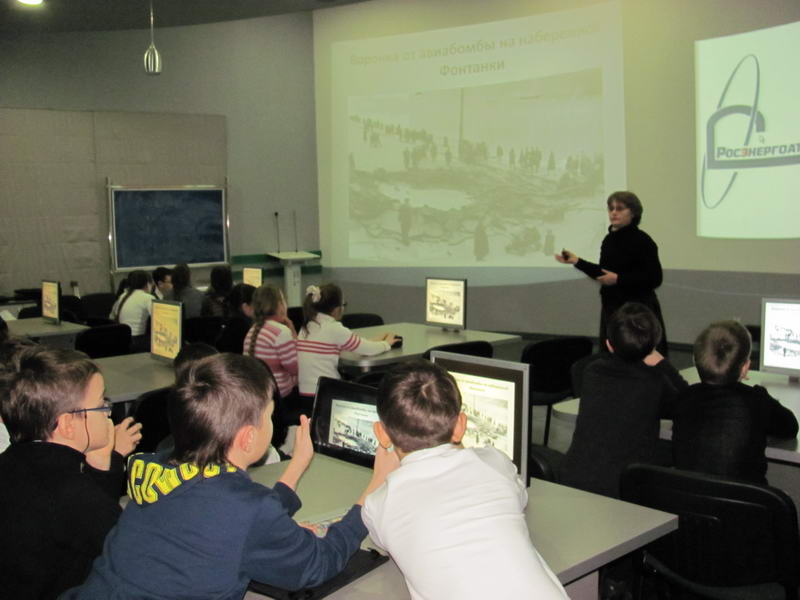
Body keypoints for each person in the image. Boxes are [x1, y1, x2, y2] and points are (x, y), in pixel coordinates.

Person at [63, 353, 398, 599]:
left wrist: (296, 466)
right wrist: (373, 489)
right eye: (268, 415)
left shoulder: (159, 466)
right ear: (248, 438)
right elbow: (316, 564)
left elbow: (227, 513)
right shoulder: (246, 509)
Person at [362, 360, 568, 600]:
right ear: (461, 426)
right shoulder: (494, 462)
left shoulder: (378, 504)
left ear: (381, 434)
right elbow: (519, 498)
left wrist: (381, 478)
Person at [0, 346, 142, 600]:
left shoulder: (14, 462)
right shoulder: (73, 495)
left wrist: (101, 459)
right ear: (67, 424)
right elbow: (131, 554)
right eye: (101, 404)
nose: (108, 411)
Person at [560, 302, 687, 498]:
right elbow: (688, 403)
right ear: (654, 345)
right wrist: (663, 364)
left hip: (574, 476)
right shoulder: (654, 380)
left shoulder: (592, 371)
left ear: (609, 344)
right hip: (621, 488)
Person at [672, 320, 798, 484]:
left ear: (695, 362)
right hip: (745, 505)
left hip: (689, 501)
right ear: (745, 367)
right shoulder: (757, 401)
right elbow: (790, 427)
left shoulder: (684, 398)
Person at [556, 191, 668, 356]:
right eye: (611, 208)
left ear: (633, 212)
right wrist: (576, 261)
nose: (613, 212)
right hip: (612, 308)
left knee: (639, 360)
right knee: (611, 360)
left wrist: (619, 279)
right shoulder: (609, 240)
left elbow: (654, 278)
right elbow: (604, 273)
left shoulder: (643, 241)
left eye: (620, 208)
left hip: (637, 311)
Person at [297, 284, 396, 412]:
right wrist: (387, 343)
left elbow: (352, 344)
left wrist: (375, 341)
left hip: (305, 395)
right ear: (337, 309)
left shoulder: (307, 326)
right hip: (326, 394)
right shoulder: (334, 328)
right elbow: (367, 350)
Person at [244, 284, 298, 447]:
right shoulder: (281, 332)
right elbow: (295, 369)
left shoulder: (252, 331)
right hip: (282, 398)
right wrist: (293, 332)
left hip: (259, 397)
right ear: (279, 305)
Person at [109, 269, 153, 352]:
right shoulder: (148, 298)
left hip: (121, 339)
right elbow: (160, 320)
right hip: (138, 341)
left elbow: (111, 316)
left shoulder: (123, 295)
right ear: (147, 283)